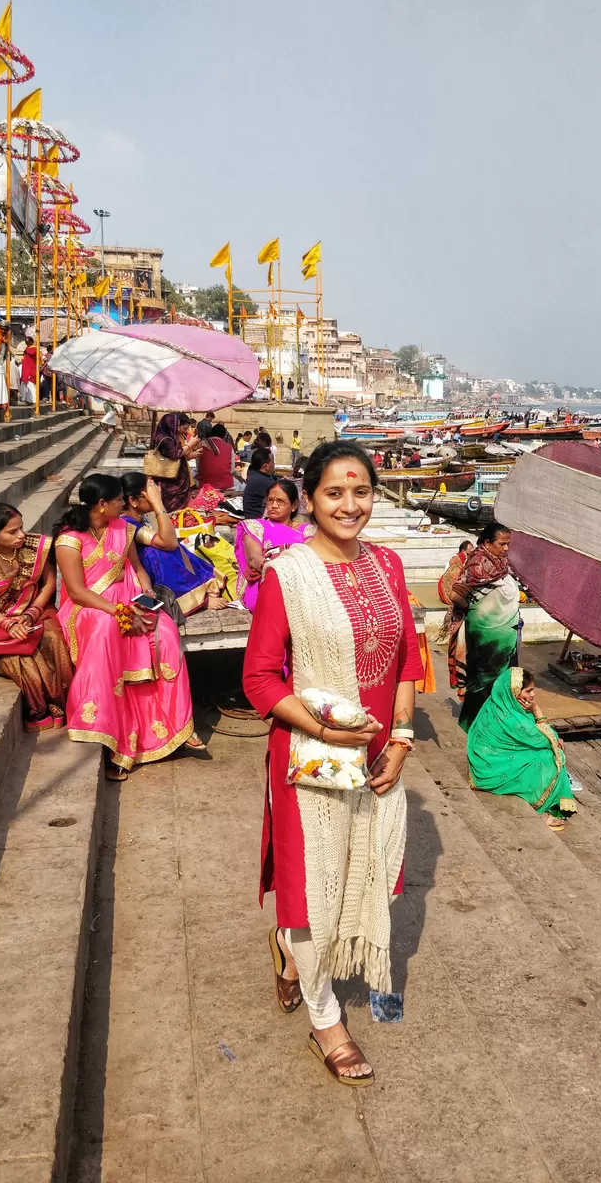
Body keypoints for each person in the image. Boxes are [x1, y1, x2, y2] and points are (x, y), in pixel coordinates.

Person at [243, 440, 423, 1086]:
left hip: (379, 753)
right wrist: (321, 728)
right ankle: (327, 1023)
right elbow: (260, 679)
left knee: (361, 877)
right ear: (311, 499)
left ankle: (289, 953)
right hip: (310, 756)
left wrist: (400, 740)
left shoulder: (391, 565)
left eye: (361, 492)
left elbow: (406, 661)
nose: (350, 505)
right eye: (334, 493)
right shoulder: (287, 574)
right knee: (312, 888)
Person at [54, 472, 202, 780]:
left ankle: (175, 725)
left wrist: (145, 593)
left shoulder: (121, 526)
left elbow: (135, 567)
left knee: (166, 633)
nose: (124, 504)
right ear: (102, 504)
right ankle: (111, 736)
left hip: (129, 598)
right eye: (119, 500)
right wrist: (119, 612)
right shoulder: (69, 540)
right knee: (107, 631)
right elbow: (77, 591)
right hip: (90, 608)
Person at [0, 502, 74, 731]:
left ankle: (68, 706)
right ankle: (41, 713)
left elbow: (49, 584)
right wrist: (8, 624)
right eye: (12, 531)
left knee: (53, 641)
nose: (21, 535)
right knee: (25, 662)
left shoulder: (37, 547)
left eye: (21, 528)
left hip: (37, 610)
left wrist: (32, 613)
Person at [467, 667, 577, 828]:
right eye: (528, 691)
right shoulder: (511, 718)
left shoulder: (498, 704)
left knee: (548, 753)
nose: (532, 695)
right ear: (514, 692)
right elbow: (548, 740)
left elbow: (543, 736)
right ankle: (544, 808)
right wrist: (536, 709)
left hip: (489, 760)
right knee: (550, 758)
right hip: (491, 768)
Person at [121, 472, 231, 615]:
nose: (157, 493)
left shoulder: (137, 517)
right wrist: (158, 504)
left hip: (141, 574)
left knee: (176, 547)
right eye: (151, 492)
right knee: (156, 553)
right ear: (133, 501)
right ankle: (194, 599)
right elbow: (169, 543)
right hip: (132, 577)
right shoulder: (126, 522)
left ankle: (202, 589)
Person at [447, 522, 519, 732]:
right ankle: (475, 725)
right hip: (485, 635)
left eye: (508, 544)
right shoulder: (478, 564)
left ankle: (494, 723)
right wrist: (474, 608)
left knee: (502, 680)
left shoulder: (499, 562)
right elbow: (455, 595)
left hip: (504, 633)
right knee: (482, 681)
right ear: (487, 542)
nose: (506, 549)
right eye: (502, 544)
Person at [235, 480, 314, 611]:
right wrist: (272, 569)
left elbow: (311, 557)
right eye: (270, 500)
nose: (274, 505)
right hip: (265, 584)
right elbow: (254, 558)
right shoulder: (255, 526)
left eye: (280, 501)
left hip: (298, 585)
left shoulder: (306, 530)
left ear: (294, 505)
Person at [149, 412, 193, 513]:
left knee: (179, 510)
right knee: (172, 509)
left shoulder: (170, 437)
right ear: (173, 425)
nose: (184, 432)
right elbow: (175, 454)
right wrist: (190, 445)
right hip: (170, 482)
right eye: (184, 428)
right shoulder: (164, 439)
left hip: (176, 480)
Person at [194, 419, 237, 491]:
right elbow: (232, 469)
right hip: (226, 485)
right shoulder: (229, 447)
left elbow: (198, 467)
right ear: (224, 436)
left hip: (205, 485)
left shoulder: (202, 444)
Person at [243, 447, 276, 519]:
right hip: (257, 520)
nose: (274, 464)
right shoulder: (262, 481)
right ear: (265, 466)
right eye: (272, 461)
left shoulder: (256, 475)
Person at [18, 333, 38, 405]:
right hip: (25, 370)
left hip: (30, 370)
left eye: (28, 342)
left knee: (31, 385)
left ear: (31, 342)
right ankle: (24, 398)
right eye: (26, 343)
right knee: (23, 384)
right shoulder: (27, 348)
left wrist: (27, 350)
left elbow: (32, 353)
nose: (27, 344)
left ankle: (33, 400)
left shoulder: (34, 348)